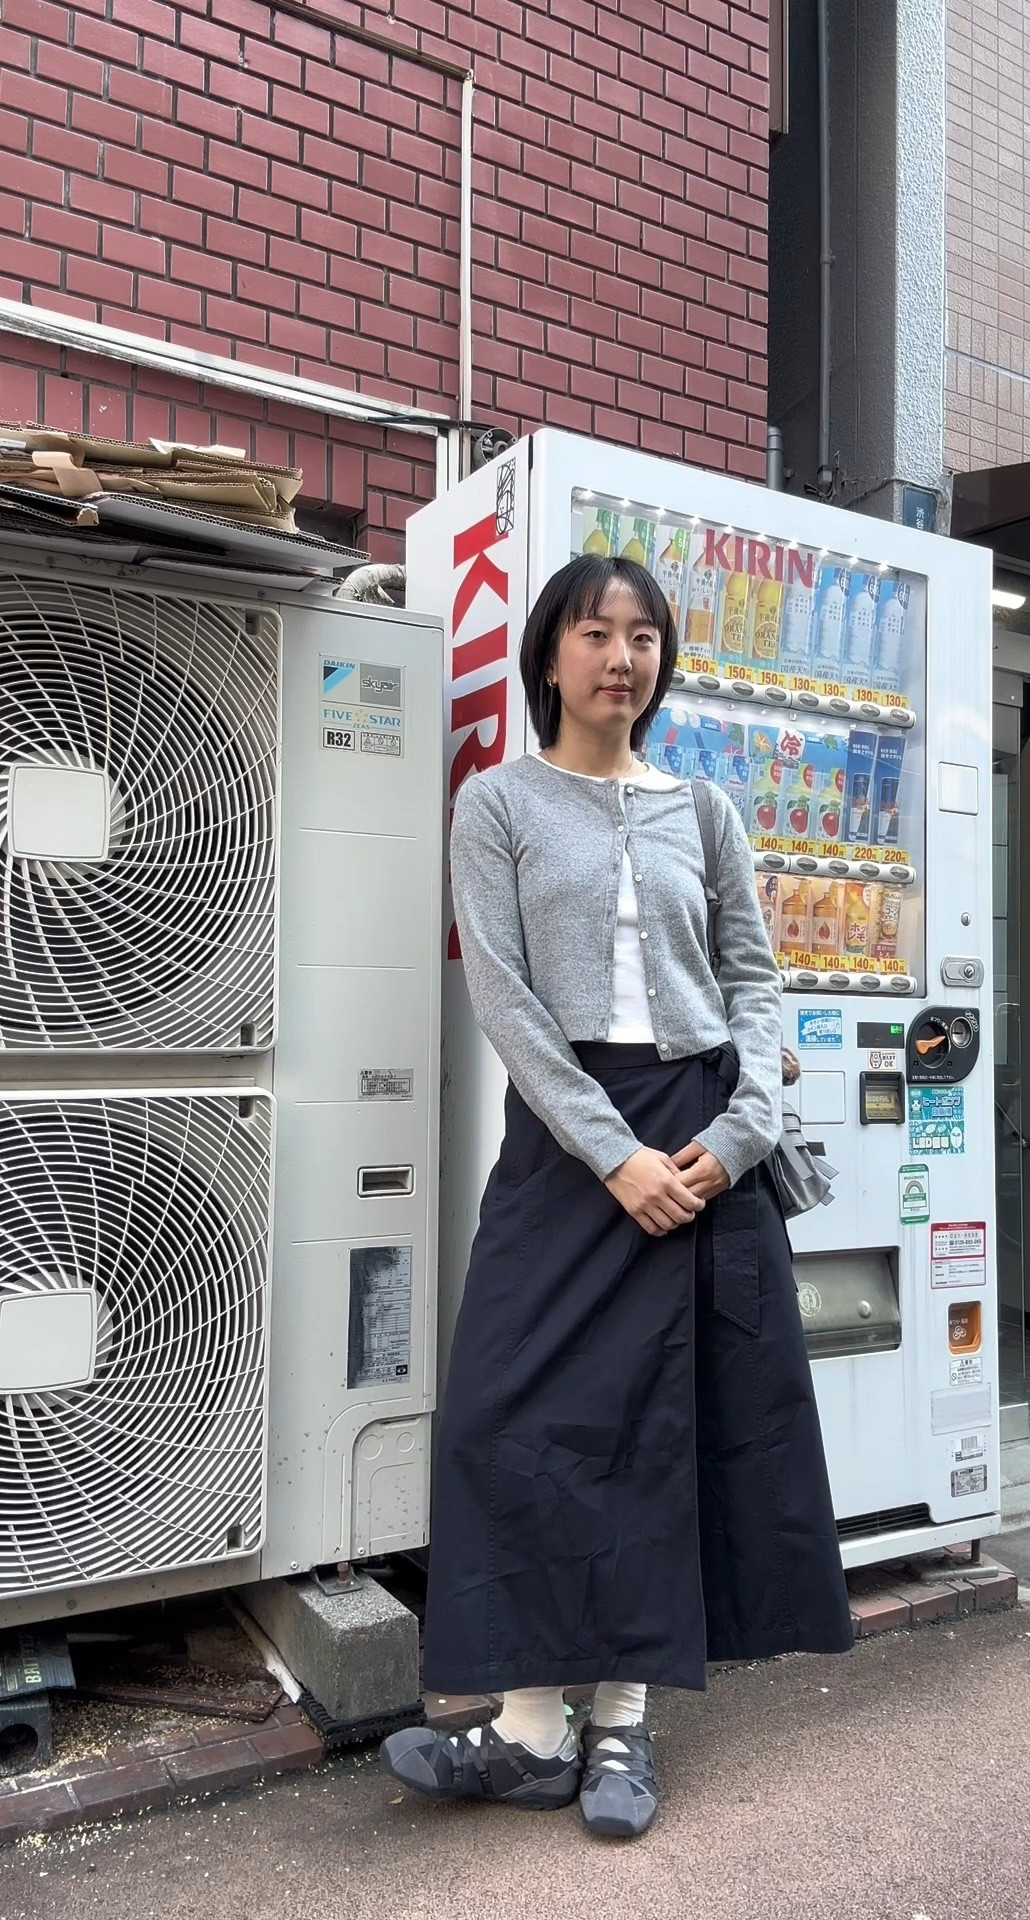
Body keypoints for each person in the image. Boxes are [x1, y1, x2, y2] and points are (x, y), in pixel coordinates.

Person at [381, 553, 852, 1838]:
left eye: (644, 637)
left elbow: (758, 983)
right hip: (569, 1141)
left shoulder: (706, 807)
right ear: (551, 656)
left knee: (660, 1425)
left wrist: (744, 1128)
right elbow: (508, 1005)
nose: (622, 657)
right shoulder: (499, 806)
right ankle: (530, 1734)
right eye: (597, 632)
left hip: (704, 1137)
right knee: (515, 1415)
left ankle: (618, 1734)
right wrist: (612, 1154)